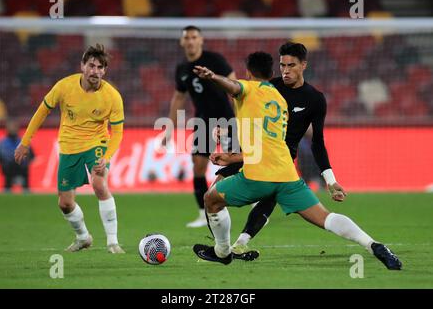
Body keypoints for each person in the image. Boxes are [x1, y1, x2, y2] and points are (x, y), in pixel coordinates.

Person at [192, 51, 402, 270]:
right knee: (326, 218)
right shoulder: (279, 100)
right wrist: (233, 157)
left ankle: (222, 252)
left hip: (258, 175)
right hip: (287, 174)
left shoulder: (249, 88)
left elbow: (235, 87)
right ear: (273, 71)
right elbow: (268, 145)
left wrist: (212, 77)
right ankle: (372, 244)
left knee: (211, 199)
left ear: (247, 73)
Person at [213, 42, 347, 260]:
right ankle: (222, 247)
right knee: (214, 192)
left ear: (304, 65)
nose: (285, 70)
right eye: (282, 65)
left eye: (291, 65)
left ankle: (240, 244)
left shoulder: (315, 99)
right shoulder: (269, 87)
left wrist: (330, 180)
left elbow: (318, 143)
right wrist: (226, 129)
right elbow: (247, 111)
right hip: (252, 151)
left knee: (269, 197)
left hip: (280, 160)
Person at [14, 44, 125, 254]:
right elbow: (41, 112)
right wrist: (25, 141)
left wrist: (107, 156)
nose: (95, 71)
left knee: (99, 183)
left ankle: (113, 242)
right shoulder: (64, 87)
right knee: (65, 203)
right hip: (68, 146)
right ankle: (83, 237)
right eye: (91, 65)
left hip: (97, 143)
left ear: (105, 71)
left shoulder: (112, 96)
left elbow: (118, 133)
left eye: (100, 67)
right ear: (82, 66)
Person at [163, 25, 237, 228]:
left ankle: (257, 203)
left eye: (194, 37)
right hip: (203, 122)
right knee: (198, 166)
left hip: (227, 119)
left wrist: (240, 119)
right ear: (182, 42)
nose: (190, 41)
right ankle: (204, 214)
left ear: (201, 40)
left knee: (239, 163)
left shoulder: (215, 60)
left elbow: (235, 86)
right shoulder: (182, 69)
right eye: (186, 37)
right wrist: (169, 128)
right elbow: (178, 98)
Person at [0, 119, 34, 192]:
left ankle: (26, 194)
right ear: (7, 129)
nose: (13, 129)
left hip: (22, 169)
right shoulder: (2, 143)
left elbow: (32, 156)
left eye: (14, 127)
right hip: (8, 171)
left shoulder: (24, 143)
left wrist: (24, 162)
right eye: (11, 127)